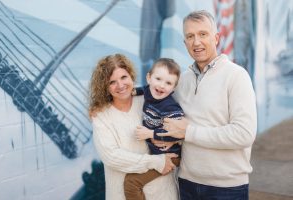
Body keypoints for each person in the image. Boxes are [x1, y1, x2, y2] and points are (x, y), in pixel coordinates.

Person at [157, 10, 257, 200]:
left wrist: (189, 132)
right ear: (184, 42)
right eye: (190, 36)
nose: (196, 42)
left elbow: (244, 134)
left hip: (226, 189)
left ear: (216, 38)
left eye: (203, 34)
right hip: (187, 184)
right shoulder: (182, 81)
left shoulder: (236, 76)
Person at [88, 54, 179, 200]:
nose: (120, 85)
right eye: (112, 82)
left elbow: (178, 125)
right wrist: (156, 161)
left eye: (124, 77)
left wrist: (172, 140)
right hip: (122, 194)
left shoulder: (151, 99)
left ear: (131, 76)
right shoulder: (101, 115)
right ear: (105, 87)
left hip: (162, 191)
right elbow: (111, 156)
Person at [124, 58, 184, 200]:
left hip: (170, 156)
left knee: (131, 182)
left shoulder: (170, 108)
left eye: (168, 83)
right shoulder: (148, 91)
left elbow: (176, 134)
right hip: (155, 154)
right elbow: (143, 89)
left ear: (174, 88)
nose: (162, 85)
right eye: (158, 79)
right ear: (149, 78)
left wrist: (150, 133)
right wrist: (132, 92)